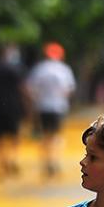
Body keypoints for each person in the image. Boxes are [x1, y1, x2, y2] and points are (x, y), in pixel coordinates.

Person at [25, 42, 77, 177]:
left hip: (42, 106)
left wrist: (35, 101)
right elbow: (69, 89)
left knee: (44, 135)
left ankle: (45, 162)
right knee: (56, 136)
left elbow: (29, 88)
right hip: (58, 107)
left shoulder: (40, 69)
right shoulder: (64, 69)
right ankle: (54, 160)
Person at [0, 43, 27, 176]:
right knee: (14, 135)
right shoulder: (15, 69)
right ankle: (13, 158)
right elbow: (21, 87)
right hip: (13, 106)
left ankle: (2, 162)